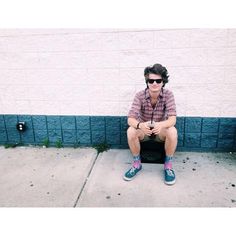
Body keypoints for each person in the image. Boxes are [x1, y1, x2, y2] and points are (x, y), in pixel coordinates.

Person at [123, 63, 178, 185]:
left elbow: (172, 119)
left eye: (158, 80)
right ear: (147, 81)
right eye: (151, 80)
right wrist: (140, 125)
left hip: (160, 131)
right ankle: (137, 164)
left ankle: (168, 166)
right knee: (130, 130)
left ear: (163, 82)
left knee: (172, 130)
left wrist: (161, 125)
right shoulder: (140, 95)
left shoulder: (168, 95)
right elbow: (130, 119)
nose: (154, 83)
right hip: (144, 130)